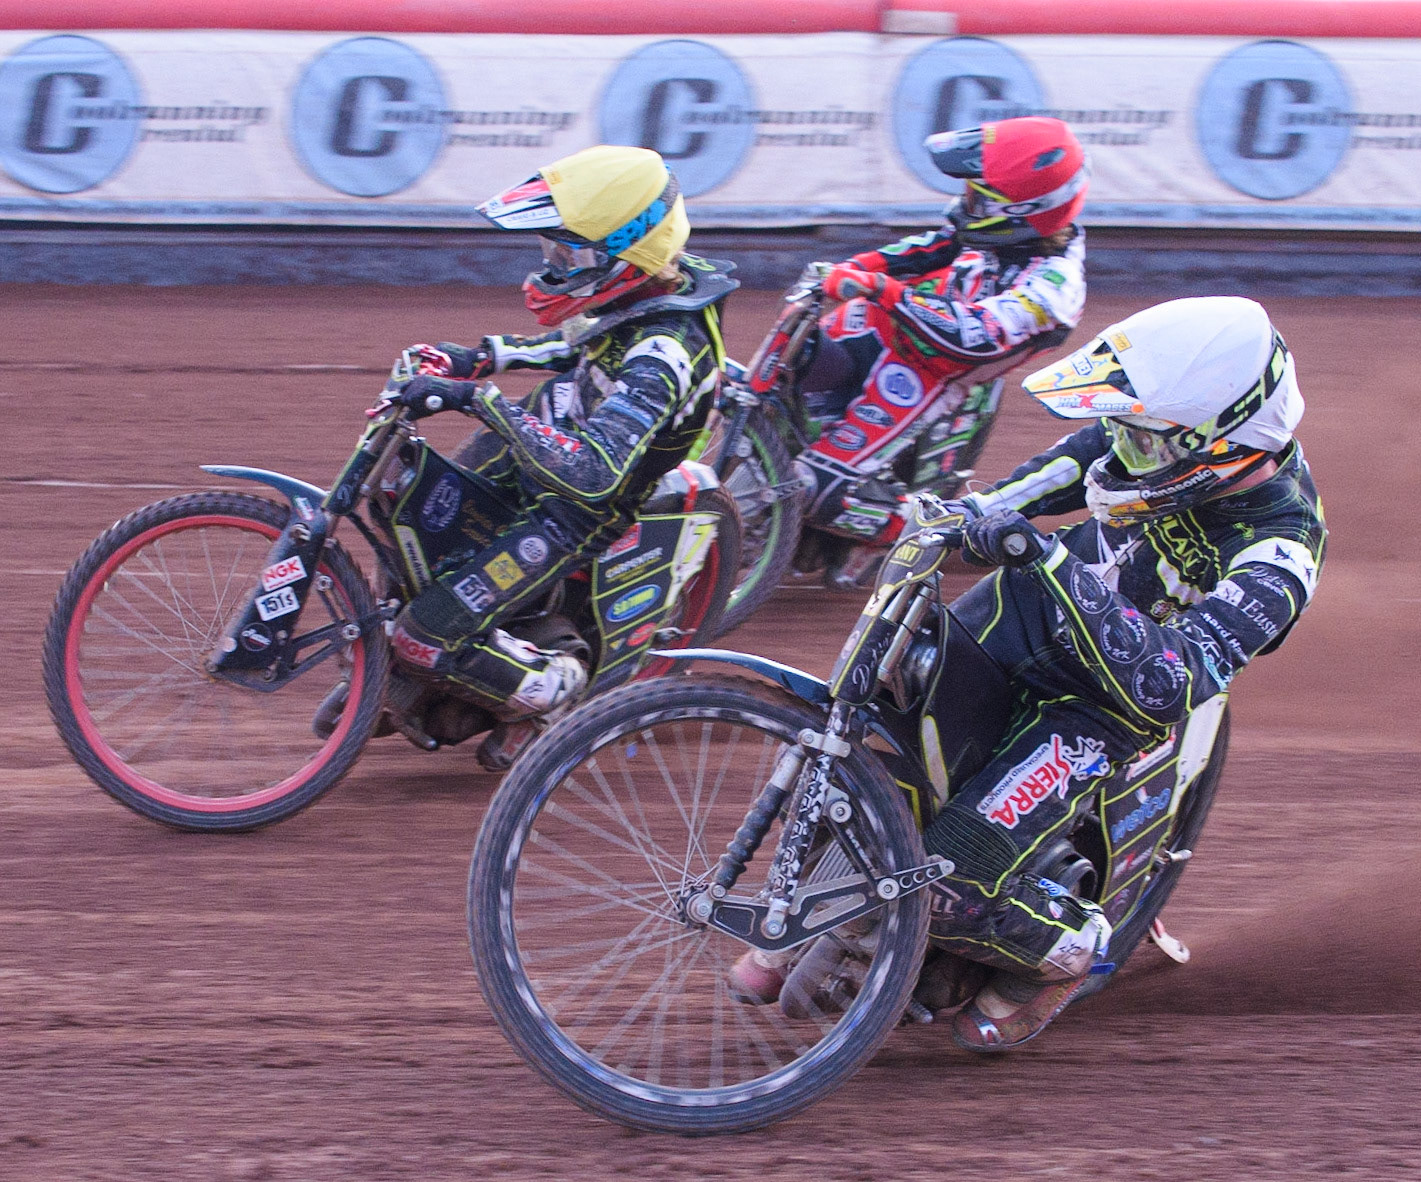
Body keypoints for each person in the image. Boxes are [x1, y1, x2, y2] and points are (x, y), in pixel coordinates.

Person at [731, 295, 1325, 1051]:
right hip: (1026, 614)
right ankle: (833, 895)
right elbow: (1019, 494)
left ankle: (1065, 950)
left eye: (1141, 442)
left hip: (1103, 705)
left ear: (1219, 447)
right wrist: (961, 518)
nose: (1118, 455)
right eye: (1120, 430)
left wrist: (1043, 560)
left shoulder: (1279, 551)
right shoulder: (1140, 443)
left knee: (946, 887)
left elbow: (1171, 685)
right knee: (863, 728)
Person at [388, 144, 738, 770]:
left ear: (627, 254)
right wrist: (482, 357)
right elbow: (576, 345)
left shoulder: (663, 351)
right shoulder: (644, 292)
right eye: (550, 250)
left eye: (567, 254)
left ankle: (551, 694)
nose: (552, 267)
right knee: (416, 516)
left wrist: (481, 399)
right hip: (534, 450)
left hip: (577, 507)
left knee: (422, 635)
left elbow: (593, 471)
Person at [791, 115, 1089, 588]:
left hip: (931, 375)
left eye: (978, 195)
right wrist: (848, 270)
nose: (965, 201)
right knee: (784, 376)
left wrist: (881, 290)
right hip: (882, 328)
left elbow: (973, 334)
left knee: (814, 488)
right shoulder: (991, 233)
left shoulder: (1053, 287)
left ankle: (930, 528)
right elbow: (926, 248)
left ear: (1021, 212)